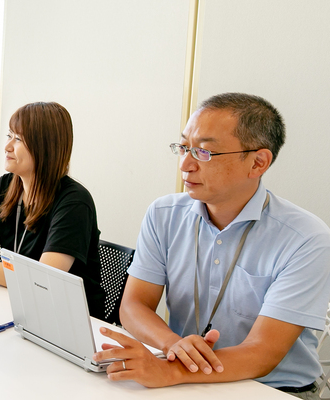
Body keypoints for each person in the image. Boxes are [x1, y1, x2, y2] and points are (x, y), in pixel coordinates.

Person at [92, 93, 330, 398]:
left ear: (258, 162)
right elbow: (134, 305)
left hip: (272, 389)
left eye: (204, 152)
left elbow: (262, 353)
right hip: (187, 376)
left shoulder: (307, 239)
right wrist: (171, 345)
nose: (186, 164)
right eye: (183, 147)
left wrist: (168, 370)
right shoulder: (164, 214)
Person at [0, 102, 107, 322]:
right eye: (10, 135)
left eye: (18, 139)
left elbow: (41, 280)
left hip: (69, 322)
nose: (8, 146)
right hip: (17, 307)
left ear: (45, 147)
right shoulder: (5, 187)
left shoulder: (74, 202)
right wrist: (10, 275)